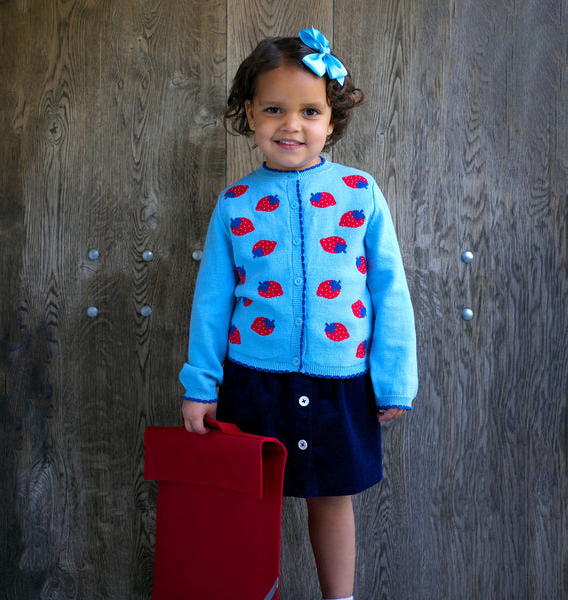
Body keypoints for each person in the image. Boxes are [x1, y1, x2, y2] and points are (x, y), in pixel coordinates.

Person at [179, 27, 418, 600]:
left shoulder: (360, 193)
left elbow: (391, 291)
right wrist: (200, 384)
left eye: (310, 111)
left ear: (331, 120)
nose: (291, 124)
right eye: (274, 109)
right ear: (250, 114)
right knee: (251, 503)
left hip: (342, 384)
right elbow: (212, 302)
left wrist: (393, 382)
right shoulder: (235, 203)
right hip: (255, 383)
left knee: (333, 498)